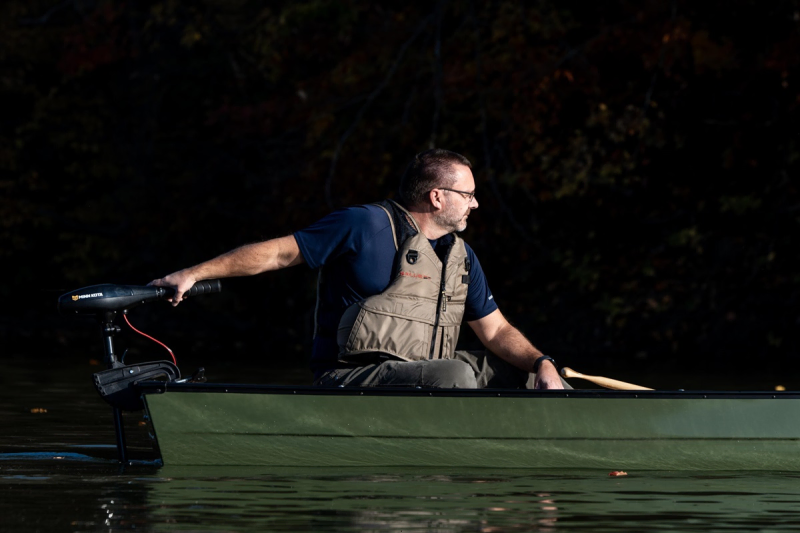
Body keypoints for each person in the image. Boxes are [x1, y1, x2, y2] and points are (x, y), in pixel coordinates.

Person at [149, 149, 568, 390]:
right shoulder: (363, 224)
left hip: (424, 373)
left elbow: (495, 332)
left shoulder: (461, 256)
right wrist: (195, 273)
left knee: (529, 371)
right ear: (438, 197)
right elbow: (278, 254)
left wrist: (542, 363)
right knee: (456, 373)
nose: (476, 204)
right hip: (350, 376)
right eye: (469, 194)